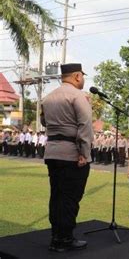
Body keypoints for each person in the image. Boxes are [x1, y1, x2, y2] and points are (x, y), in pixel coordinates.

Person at [40, 63, 93, 252]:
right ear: (77, 76)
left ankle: (56, 236)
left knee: (56, 196)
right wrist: (84, 154)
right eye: (83, 76)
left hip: (52, 152)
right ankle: (65, 239)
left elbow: (44, 121)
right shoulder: (78, 96)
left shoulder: (47, 98)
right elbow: (85, 126)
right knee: (70, 199)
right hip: (72, 154)